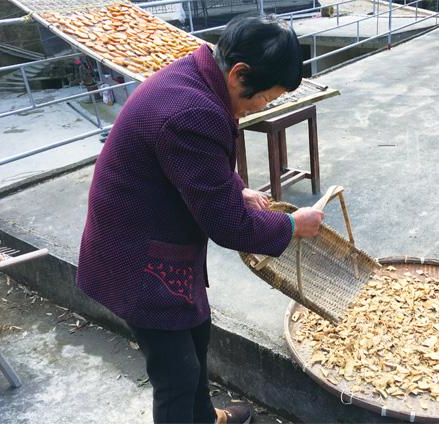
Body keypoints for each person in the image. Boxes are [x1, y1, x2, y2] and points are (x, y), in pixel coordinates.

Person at [76, 15, 324, 424]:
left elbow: (190, 163)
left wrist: (234, 187)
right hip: (135, 257)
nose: (260, 107)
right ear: (240, 73)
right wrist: (294, 226)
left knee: (197, 334)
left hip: (154, 234)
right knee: (176, 374)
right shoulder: (192, 111)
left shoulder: (195, 73)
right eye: (265, 98)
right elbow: (229, 226)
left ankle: (206, 418)